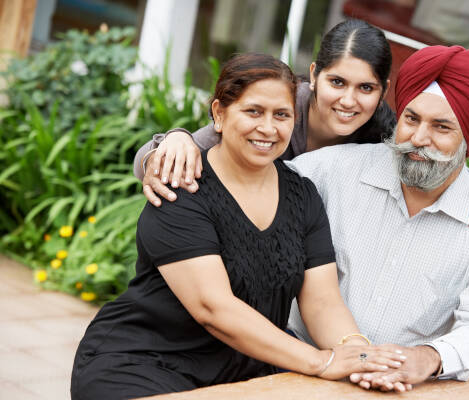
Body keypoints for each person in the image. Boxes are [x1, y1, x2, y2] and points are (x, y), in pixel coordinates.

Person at [70, 53, 405, 399]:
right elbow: (214, 308)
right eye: (253, 111)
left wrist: (359, 355)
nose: (268, 128)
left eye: (282, 115)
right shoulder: (182, 187)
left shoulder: (303, 196)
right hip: (144, 364)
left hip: (247, 369)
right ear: (219, 113)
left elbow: (322, 302)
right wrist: (321, 361)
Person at [286, 45, 469, 393]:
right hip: (296, 369)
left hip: (402, 388)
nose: (418, 138)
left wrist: (426, 359)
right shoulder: (328, 172)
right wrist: (181, 142)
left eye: (441, 127)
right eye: (411, 119)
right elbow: (244, 182)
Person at [133, 19, 469, 227]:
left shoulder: (384, 133)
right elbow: (153, 159)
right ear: (314, 74)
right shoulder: (280, 111)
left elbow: (437, 159)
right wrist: (172, 141)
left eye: (365, 87)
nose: (348, 101)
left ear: (383, 90)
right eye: (337, 82)